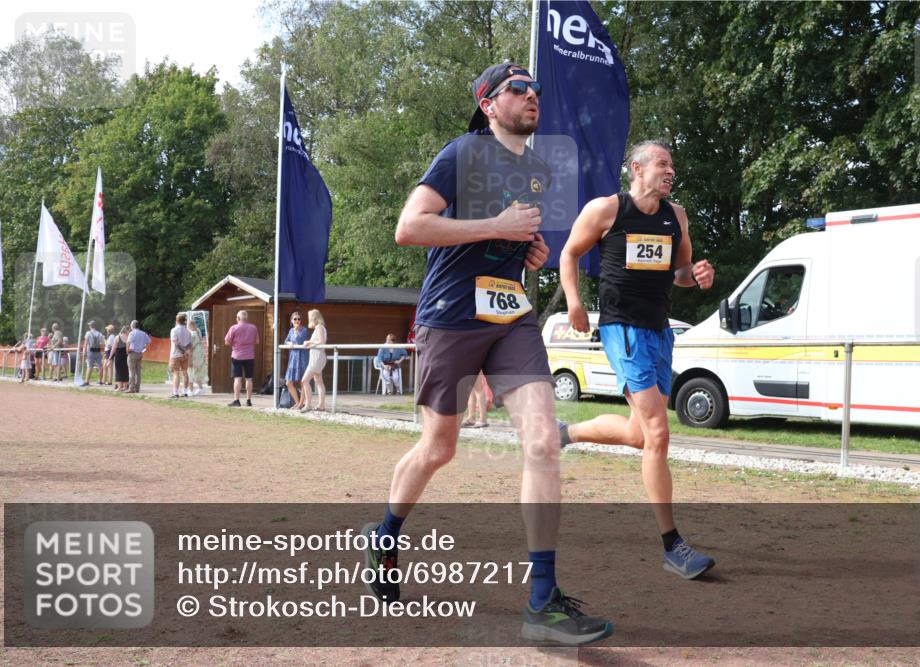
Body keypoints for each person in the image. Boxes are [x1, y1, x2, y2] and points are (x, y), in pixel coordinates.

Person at [359, 63, 612, 646]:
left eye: (535, 89)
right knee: (440, 448)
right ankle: (385, 533)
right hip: (451, 315)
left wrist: (529, 249)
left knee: (543, 442)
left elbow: (511, 239)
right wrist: (495, 224)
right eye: (516, 89)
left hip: (510, 315)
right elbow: (409, 227)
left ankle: (542, 600)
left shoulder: (538, 171)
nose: (531, 96)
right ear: (489, 103)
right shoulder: (462, 154)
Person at [558, 139, 717, 580]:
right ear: (637, 168)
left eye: (672, 166)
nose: (670, 171)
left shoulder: (677, 216)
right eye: (662, 164)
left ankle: (564, 433)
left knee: (638, 434)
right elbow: (569, 253)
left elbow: (680, 273)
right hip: (621, 328)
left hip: (659, 331)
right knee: (658, 434)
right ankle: (672, 546)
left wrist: (696, 275)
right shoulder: (606, 210)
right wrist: (573, 301)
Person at [224, 310, 259, 407]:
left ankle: (237, 400)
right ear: (246, 318)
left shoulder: (233, 328)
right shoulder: (253, 328)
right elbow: (257, 341)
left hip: (237, 356)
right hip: (250, 356)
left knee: (237, 379)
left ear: (238, 318)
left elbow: (227, 342)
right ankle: (248, 401)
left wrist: (235, 343)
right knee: (249, 379)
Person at [299, 309, 327, 412]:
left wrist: (309, 343)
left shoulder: (319, 327)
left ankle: (308, 405)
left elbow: (321, 342)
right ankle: (321, 405)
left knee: (305, 380)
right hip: (317, 357)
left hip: (317, 358)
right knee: (318, 381)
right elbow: (318, 341)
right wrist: (309, 342)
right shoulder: (319, 327)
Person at [282, 311, 309, 408]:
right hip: (293, 358)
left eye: (299, 319)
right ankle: (297, 402)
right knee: (288, 382)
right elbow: (286, 341)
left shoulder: (304, 330)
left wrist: (297, 331)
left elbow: (299, 341)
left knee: (303, 381)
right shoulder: (290, 331)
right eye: (295, 319)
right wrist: (289, 343)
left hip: (302, 358)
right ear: (291, 321)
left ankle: (301, 403)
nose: (297, 321)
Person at [168, 313, 193, 398]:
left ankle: (175, 393)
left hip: (176, 354)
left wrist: (182, 351)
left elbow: (176, 343)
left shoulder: (174, 330)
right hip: (185, 355)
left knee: (176, 373)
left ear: (177, 320)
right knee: (185, 373)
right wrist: (186, 352)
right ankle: (185, 392)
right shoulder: (188, 331)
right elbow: (190, 344)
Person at [126, 319, 151, 393]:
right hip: (140, 353)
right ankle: (137, 388)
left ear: (132, 326)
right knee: (138, 372)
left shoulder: (132, 333)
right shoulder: (143, 333)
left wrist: (127, 350)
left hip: (132, 353)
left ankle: (131, 388)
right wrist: (144, 348)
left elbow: (128, 342)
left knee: (131, 371)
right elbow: (149, 341)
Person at [186, 316, 207, 396]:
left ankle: (190, 390)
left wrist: (189, 357)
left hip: (193, 355)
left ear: (189, 326)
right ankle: (201, 388)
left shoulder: (191, 334)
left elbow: (190, 347)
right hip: (200, 355)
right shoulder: (198, 332)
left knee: (190, 372)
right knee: (197, 372)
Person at [81, 320, 105, 387]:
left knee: (89, 366)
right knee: (100, 366)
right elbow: (102, 344)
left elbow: (85, 343)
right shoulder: (100, 334)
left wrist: (84, 352)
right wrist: (102, 352)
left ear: (90, 326)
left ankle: (87, 381)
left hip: (90, 351)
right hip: (98, 351)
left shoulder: (88, 333)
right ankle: (100, 381)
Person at [110, 325, 129, 392]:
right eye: (129, 331)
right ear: (126, 331)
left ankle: (120, 387)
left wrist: (110, 357)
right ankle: (125, 387)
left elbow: (113, 348)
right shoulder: (128, 337)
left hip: (118, 356)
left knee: (118, 371)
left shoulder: (117, 337)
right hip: (126, 356)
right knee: (125, 371)